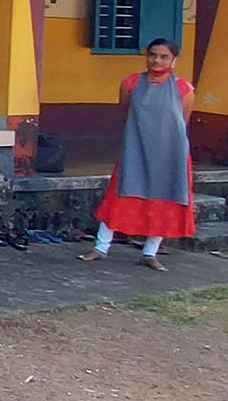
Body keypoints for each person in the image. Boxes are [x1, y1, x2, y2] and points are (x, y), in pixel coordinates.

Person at [80, 39, 197, 272]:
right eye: (153, 55)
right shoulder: (131, 83)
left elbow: (182, 122)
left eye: (164, 56)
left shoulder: (184, 89)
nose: (157, 60)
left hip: (170, 155)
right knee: (119, 195)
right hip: (136, 149)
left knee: (164, 200)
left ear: (174, 60)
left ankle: (150, 252)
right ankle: (101, 247)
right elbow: (125, 114)